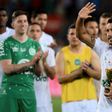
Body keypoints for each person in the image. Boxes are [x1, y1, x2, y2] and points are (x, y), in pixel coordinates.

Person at [0, 10, 42, 112]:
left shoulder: (35, 45)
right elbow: (7, 69)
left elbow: (38, 73)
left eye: (25, 21)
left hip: (28, 92)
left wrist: (37, 62)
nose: (23, 24)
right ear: (13, 24)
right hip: (10, 93)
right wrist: (30, 63)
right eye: (19, 21)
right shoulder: (5, 43)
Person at [56, 24, 101, 112]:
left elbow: (99, 75)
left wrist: (87, 70)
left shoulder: (89, 51)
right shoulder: (61, 53)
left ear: (81, 35)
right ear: (67, 36)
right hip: (69, 100)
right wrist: (78, 72)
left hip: (89, 99)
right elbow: (60, 79)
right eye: (72, 34)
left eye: (77, 34)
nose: (74, 37)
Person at [28, 22, 56, 112]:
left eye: (37, 31)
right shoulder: (21, 51)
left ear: (41, 34)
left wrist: (44, 63)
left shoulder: (49, 51)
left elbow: (52, 76)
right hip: (26, 98)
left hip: (44, 101)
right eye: (32, 31)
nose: (35, 33)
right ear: (27, 33)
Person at [96, 18, 112, 112]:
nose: (109, 34)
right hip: (103, 108)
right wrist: (80, 19)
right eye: (107, 30)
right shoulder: (105, 50)